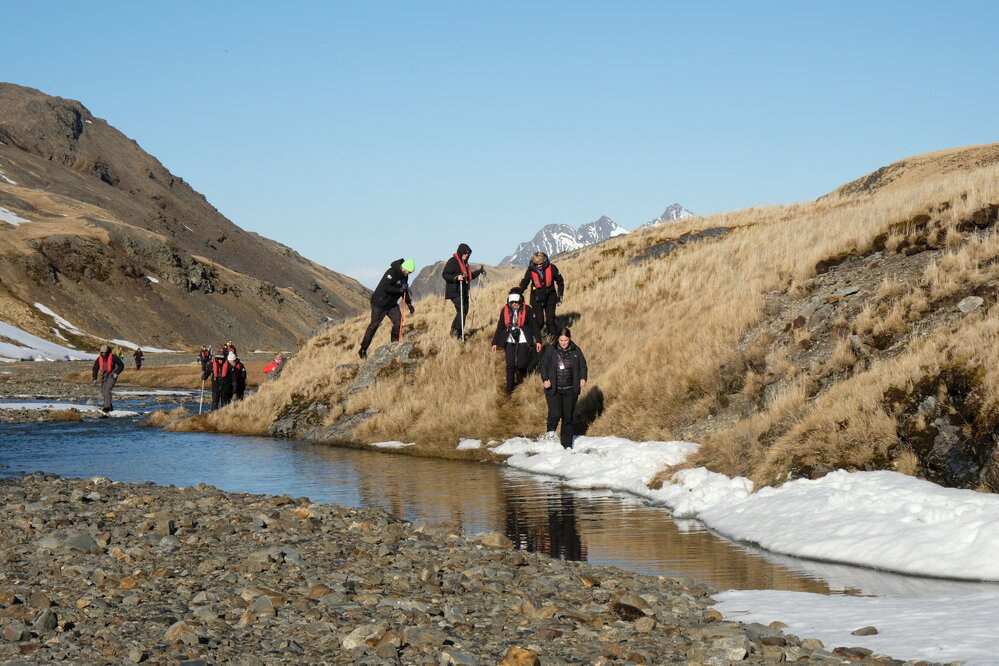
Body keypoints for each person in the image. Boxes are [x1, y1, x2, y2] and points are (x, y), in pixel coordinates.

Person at [539, 327, 588, 449]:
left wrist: (583, 378)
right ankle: (550, 434)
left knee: (568, 417)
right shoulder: (551, 350)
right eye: (561, 340)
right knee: (555, 413)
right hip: (553, 389)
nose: (563, 343)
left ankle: (566, 445)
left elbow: (583, 366)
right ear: (558, 339)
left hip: (571, 389)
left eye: (566, 340)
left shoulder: (576, 350)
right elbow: (543, 365)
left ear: (570, 339)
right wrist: (545, 379)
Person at [358, 258, 415, 359]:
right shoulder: (391, 272)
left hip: (391, 304)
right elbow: (386, 287)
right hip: (379, 303)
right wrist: (399, 289)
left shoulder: (404, 277)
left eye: (410, 272)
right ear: (404, 267)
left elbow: (404, 292)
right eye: (408, 271)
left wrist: (409, 304)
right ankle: (363, 349)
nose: (408, 274)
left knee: (399, 322)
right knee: (374, 326)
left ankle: (394, 345)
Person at [491, 288, 542, 395]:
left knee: (521, 364)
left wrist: (539, 341)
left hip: (523, 339)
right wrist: (494, 343)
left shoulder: (528, 309)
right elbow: (500, 326)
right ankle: (509, 389)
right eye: (512, 302)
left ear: (520, 300)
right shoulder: (504, 310)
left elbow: (534, 326)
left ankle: (523, 379)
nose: (514, 304)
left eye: (516, 302)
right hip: (509, 339)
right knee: (510, 365)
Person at [442, 243, 485, 339]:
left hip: (463, 291)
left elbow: (469, 276)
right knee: (462, 311)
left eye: (468, 253)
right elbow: (445, 274)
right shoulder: (452, 261)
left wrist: (478, 272)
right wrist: (457, 277)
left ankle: (457, 333)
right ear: (460, 252)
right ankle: (455, 334)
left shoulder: (465, 264)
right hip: (455, 291)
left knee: (464, 311)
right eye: (465, 253)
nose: (466, 254)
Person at [519, 251, 565, 341]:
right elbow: (525, 282)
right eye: (537, 264)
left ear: (544, 261)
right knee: (539, 322)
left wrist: (560, 295)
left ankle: (553, 340)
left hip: (550, 298)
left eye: (541, 263)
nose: (539, 266)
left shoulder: (552, 268)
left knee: (550, 321)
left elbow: (560, 281)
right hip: (536, 300)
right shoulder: (530, 271)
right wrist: (519, 291)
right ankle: (533, 338)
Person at [91, 344, 125, 413]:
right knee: (103, 391)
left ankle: (107, 407)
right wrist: (94, 378)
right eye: (102, 352)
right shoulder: (99, 359)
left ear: (108, 351)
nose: (103, 354)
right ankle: (109, 405)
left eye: (105, 352)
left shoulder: (113, 357)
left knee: (107, 390)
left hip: (112, 375)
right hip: (105, 376)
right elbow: (95, 368)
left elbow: (121, 365)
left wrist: (116, 373)